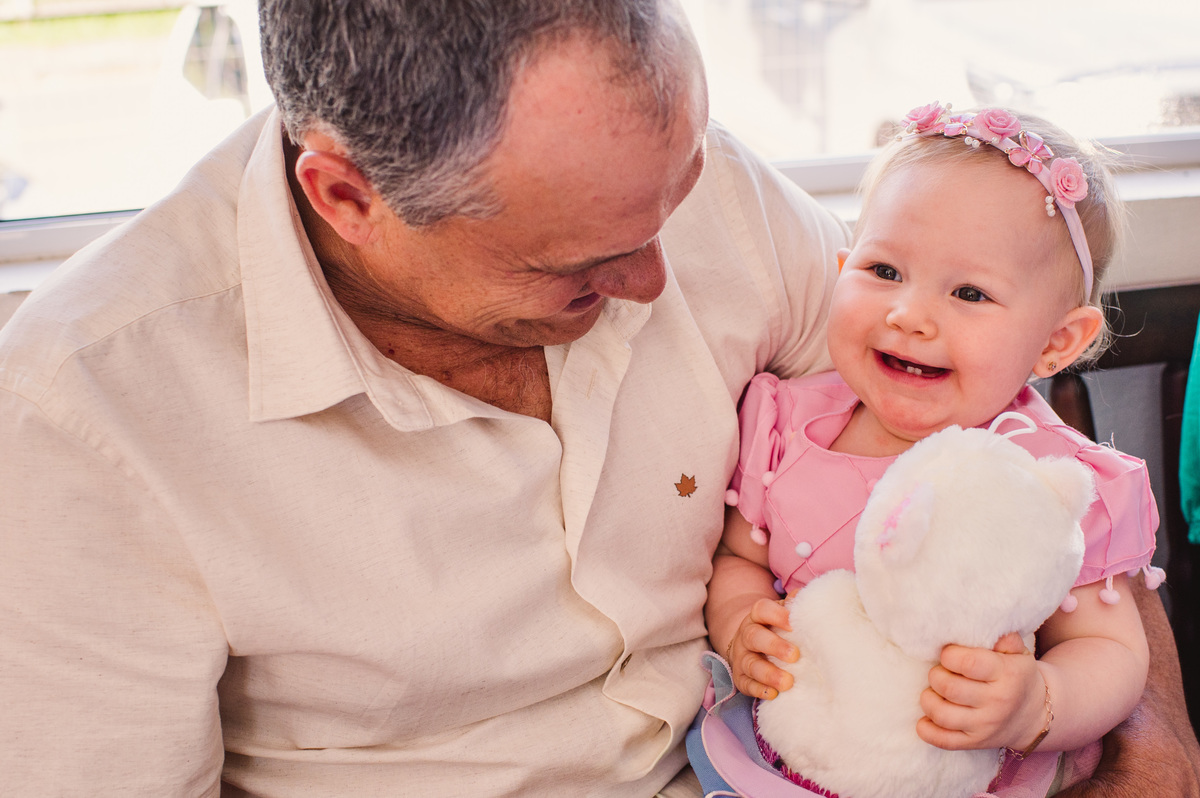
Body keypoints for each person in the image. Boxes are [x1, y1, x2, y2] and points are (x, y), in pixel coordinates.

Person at [0, 0, 1195, 793]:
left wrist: (1146, 735)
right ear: (347, 197)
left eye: (673, 200)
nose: (657, 279)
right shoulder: (90, 413)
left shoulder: (682, 182)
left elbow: (992, 442)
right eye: (577, 267)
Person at [699, 102, 1179, 796]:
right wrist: (740, 621)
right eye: (885, 271)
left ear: (1055, 342)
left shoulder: (1054, 479)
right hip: (790, 754)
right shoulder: (788, 423)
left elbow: (1111, 650)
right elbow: (738, 559)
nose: (909, 314)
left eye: (969, 292)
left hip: (974, 771)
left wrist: (1038, 701)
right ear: (842, 268)